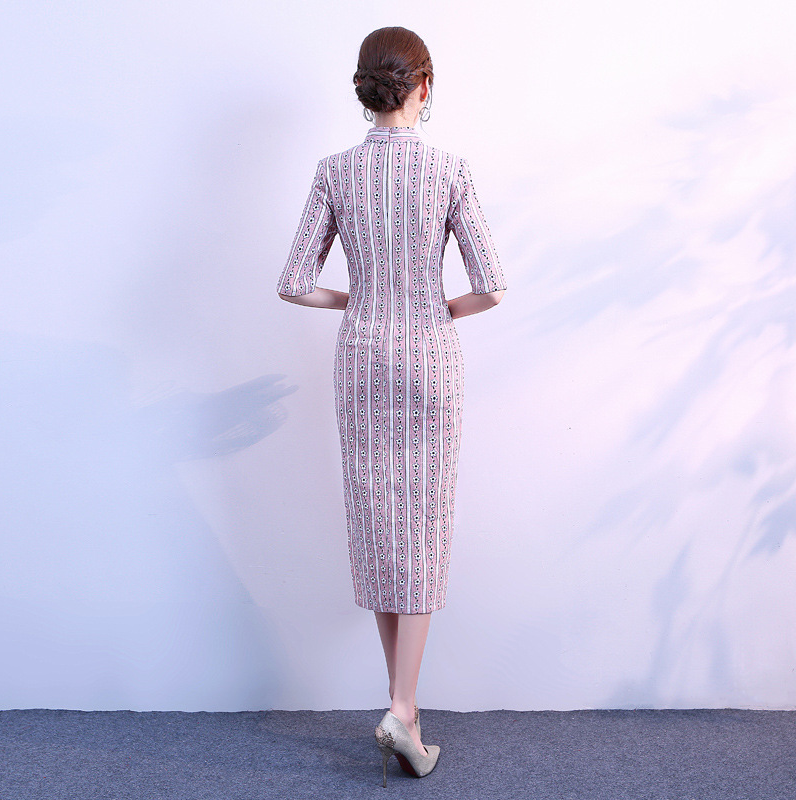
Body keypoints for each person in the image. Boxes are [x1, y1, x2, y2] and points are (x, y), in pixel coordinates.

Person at [276, 26, 506, 786]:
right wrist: (431, 307)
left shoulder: (334, 171)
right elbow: (491, 286)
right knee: (423, 523)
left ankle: (402, 707)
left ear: (366, 87)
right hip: (430, 359)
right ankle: (403, 709)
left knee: (381, 520)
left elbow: (293, 283)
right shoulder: (448, 169)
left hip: (364, 359)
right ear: (424, 86)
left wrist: (362, 299)